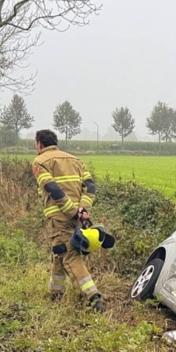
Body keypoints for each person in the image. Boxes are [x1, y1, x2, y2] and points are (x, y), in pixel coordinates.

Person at [32, 129, 103, 311]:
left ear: (39, 144)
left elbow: (52, 188)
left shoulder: (40, 161)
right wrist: (83, 209)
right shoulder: (76, 160)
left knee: (71, 256)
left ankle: (93, 298)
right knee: (59, 251)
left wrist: (71, 211)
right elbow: (90, 186)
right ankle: (55, 293)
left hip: (60, 217)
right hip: (77, 216)